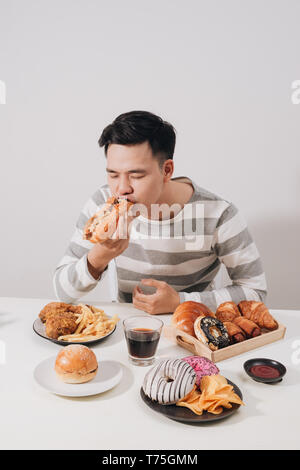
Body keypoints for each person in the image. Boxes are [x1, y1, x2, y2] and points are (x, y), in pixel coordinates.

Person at [53, 110, 267, 313]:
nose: (122, 188)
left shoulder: (219, 213)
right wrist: (98, 258)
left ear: (167, 170)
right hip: (129, 329)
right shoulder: (102, 204)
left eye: (136, 176)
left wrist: (180, 302)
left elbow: (255, 291)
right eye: (113, 174)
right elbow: (62, 291)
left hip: (194, 328)